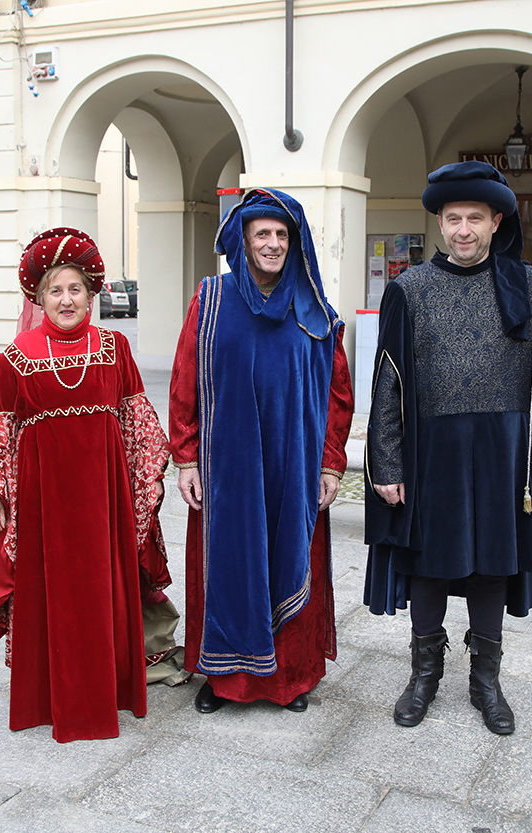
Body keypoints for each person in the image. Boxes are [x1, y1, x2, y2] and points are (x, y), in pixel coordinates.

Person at [364, 161, 532, 735]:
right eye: (454, 219)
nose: (464, 229)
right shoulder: (410, 289)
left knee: (491, 564)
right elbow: (388, 382)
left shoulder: (526, 284)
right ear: (441, 224)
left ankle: (485, 681)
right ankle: (424, 675)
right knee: (429, 562)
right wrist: (388, 462)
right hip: (433, 451)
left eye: (476, 217)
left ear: (497, 221)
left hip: (503, 451)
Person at [0, 227, 172, 742]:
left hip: (105, 495)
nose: (66, 299)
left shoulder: (114, 347)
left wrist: (150, 476)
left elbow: (137, 418)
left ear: (90, 293)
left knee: (104, 588)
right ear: (39, 297)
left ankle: (110, 692)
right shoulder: (15, 357)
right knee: (51, 593)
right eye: (55, 290)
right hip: (42, 500)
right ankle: (52, 698)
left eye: (75, 288)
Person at [169, 188, 354, 714]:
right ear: (245, 241)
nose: (272, 244)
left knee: (288, 559)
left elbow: (338, 394)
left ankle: (289, 678)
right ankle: (223, 679)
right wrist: (185, 458)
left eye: (281, 234)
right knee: (228, 563)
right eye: (262, 234)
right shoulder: (210, 300)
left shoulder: (315, 311)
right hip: (226, 467)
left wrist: (330, 464)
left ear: (293, 242)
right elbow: (185, 380)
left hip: (293, 466)